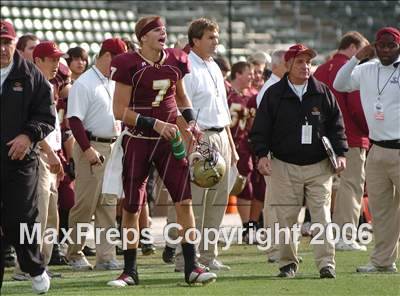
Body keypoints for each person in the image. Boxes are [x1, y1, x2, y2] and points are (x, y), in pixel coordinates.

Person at [106, 15, 217, 286]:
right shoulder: (127, 63)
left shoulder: (176, 59)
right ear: (143, 36)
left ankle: (192, 266)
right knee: (132, 207)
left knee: (184, 201)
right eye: (156, 29)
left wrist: (190, 122)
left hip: (170, 140)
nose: (163, 33)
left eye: (164, 29)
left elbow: (180, 97)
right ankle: (130, 270)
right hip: (138, 139)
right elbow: (119, 110)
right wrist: (153, 123)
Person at [251, 44, 348, 279]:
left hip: (319, 165)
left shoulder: (322, 92)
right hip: (284, 165)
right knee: (286, 218)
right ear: (288, 65)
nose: (306, 66)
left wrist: (341, 153)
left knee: (322, 216)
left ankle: (326, 264)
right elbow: (260, 129)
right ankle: (287, 263)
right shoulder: (274, 94)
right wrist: (262, 155)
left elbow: (337, 126)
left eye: (309, 62)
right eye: (300, 62)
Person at [174, 17, 239, 272]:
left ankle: (208, 255)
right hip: (198, 138)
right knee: (196, 202)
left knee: (218, 201)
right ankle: (185, 258)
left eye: (217, 37)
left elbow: (222, 110)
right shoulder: (186, 66)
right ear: (195, 40)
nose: (216, 42)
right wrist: (190, 141)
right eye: (210, 37)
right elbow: (179, 105)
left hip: (221, 135)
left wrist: (230, 146)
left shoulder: (213, 66)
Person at [333, 27, 400, 273]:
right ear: (374, 45)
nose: (385, 50)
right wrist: (356, 57)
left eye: (391, 45)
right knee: (382, 212)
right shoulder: (367, 68)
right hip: (377, 149)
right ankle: (383, 261)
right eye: (381, 45)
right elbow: (340, 83)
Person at [0, 20, 55, 294]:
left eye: (7, 42)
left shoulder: (31, 75)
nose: (2, 48)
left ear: (15, 43)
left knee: (21, 219)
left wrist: (28, 135)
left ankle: (34, 267)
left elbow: (46, 116)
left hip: (20, 161)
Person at [66, 38, 127, 271]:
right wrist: (86, 148)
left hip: (113, 146)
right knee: (85, 205)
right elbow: (74, 119)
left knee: (108, 204)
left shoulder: (114, 82)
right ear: (107, 55)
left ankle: (106, 256)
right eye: (119, 58)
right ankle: (75, 253)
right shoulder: (85, 83)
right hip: (91, 146)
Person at [314, 31, 370, 252]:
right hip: (350, 137)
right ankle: (345, 235)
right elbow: (357, 106)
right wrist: (369, 130)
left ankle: (323, 234)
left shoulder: (319, 69)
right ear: (354, 47)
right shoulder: (353, 69)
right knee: (351, 185)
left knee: (323, 187)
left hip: (320, 137)